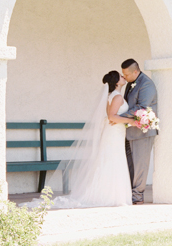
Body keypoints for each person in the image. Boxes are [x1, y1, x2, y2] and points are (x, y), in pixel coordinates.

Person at [47, 70, 133, 208]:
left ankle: (110, 194)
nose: (124, 78)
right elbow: (112, 117)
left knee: (110, 160)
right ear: (116, 82)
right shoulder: (117, 97)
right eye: (121, 76)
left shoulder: (112, 96)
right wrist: (132, 121)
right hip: (114, 133)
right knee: (113, 160)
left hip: (114, 132)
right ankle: (113, 197)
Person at [111, 59, 158, 205]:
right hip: (129, 130)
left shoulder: (146, 84)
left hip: (142, 132)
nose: (124, 77)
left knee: (140, 166)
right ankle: (129, 193)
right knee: (130, 165)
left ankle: (138, 196)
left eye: (126, 74)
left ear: (136, 72)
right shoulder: (131, 83)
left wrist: (119, 117)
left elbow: (142, 107)